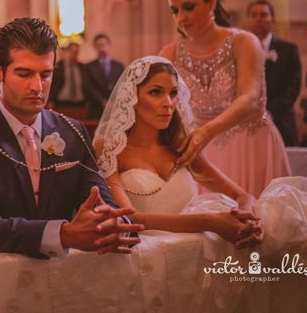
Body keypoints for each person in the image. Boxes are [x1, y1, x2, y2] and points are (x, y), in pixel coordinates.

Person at [94, 56, 307, 311]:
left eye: (173, 93)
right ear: (132, 97)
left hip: (196, 260)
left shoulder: (181, 145)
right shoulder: (111, 149)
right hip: (146, 263)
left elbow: (243, 196)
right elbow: (130, 219)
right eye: (155, 92)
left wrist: (247, 220)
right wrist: (210, 222)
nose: (168, 103)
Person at [0, 17, 142, 259]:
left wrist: (112, 224)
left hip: (63, 275)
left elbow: (104, 202)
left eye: (46, 74)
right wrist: (63, 234)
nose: (37, 86)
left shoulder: (73, 131)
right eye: (24, 74)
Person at [159, 0, 290, 196]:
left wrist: (207, 132)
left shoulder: (243, 42)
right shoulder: (169, 54)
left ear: (211, 1)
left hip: (250, 147)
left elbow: (250, 98)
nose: (181, 18)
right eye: (175, 10)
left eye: (189, 7)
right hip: (201, 155)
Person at [247, 0, 302, 146]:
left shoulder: (289, 50)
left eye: (263, 14)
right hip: (247, 124)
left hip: (281, 122)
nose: (258, 18)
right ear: (248, 20)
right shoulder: (240, 51)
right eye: (254, 15)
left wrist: (268, 112)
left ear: (273, 19)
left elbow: (293, 87)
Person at [84, 33, 124, 119]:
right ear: (95, 47)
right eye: (98, 46)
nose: (102, 48)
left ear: (109, 45)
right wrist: (102, 102)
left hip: (116, 109)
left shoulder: (119, 66)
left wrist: (113, 102)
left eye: (104, 45)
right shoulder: (89, 67)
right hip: (96, 110)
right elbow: (89, 88)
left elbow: (123, 85)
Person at [48, 42, 87, 109]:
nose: (74, 54)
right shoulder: (58, 67)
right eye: (73, 52)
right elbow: (53, 84)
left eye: (76, 52)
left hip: (80, 104)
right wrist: (50, 100)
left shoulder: (82, 67)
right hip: (62, 103)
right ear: (67, 51)